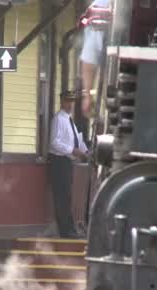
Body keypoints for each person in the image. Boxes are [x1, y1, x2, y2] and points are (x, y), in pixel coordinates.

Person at [49, 90, 89, 238]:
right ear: (61, 101)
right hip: (59, 161)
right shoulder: (58, 119)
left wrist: (85, 151)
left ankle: (70, 229)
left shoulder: (70, 119)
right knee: (62, 197)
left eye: (72, 101)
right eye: (67, 101)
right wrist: (72, 150)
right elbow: (54, 143)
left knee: (67, 197)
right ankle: (65, 231)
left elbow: (77, 139)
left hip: (68, 161)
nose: (70, 104)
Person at [79, 0, 111, 117]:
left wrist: (87, 95)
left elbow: (89, 60)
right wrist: (87, 94)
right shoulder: (95, 10)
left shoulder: (96, 9)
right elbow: (89, 58)